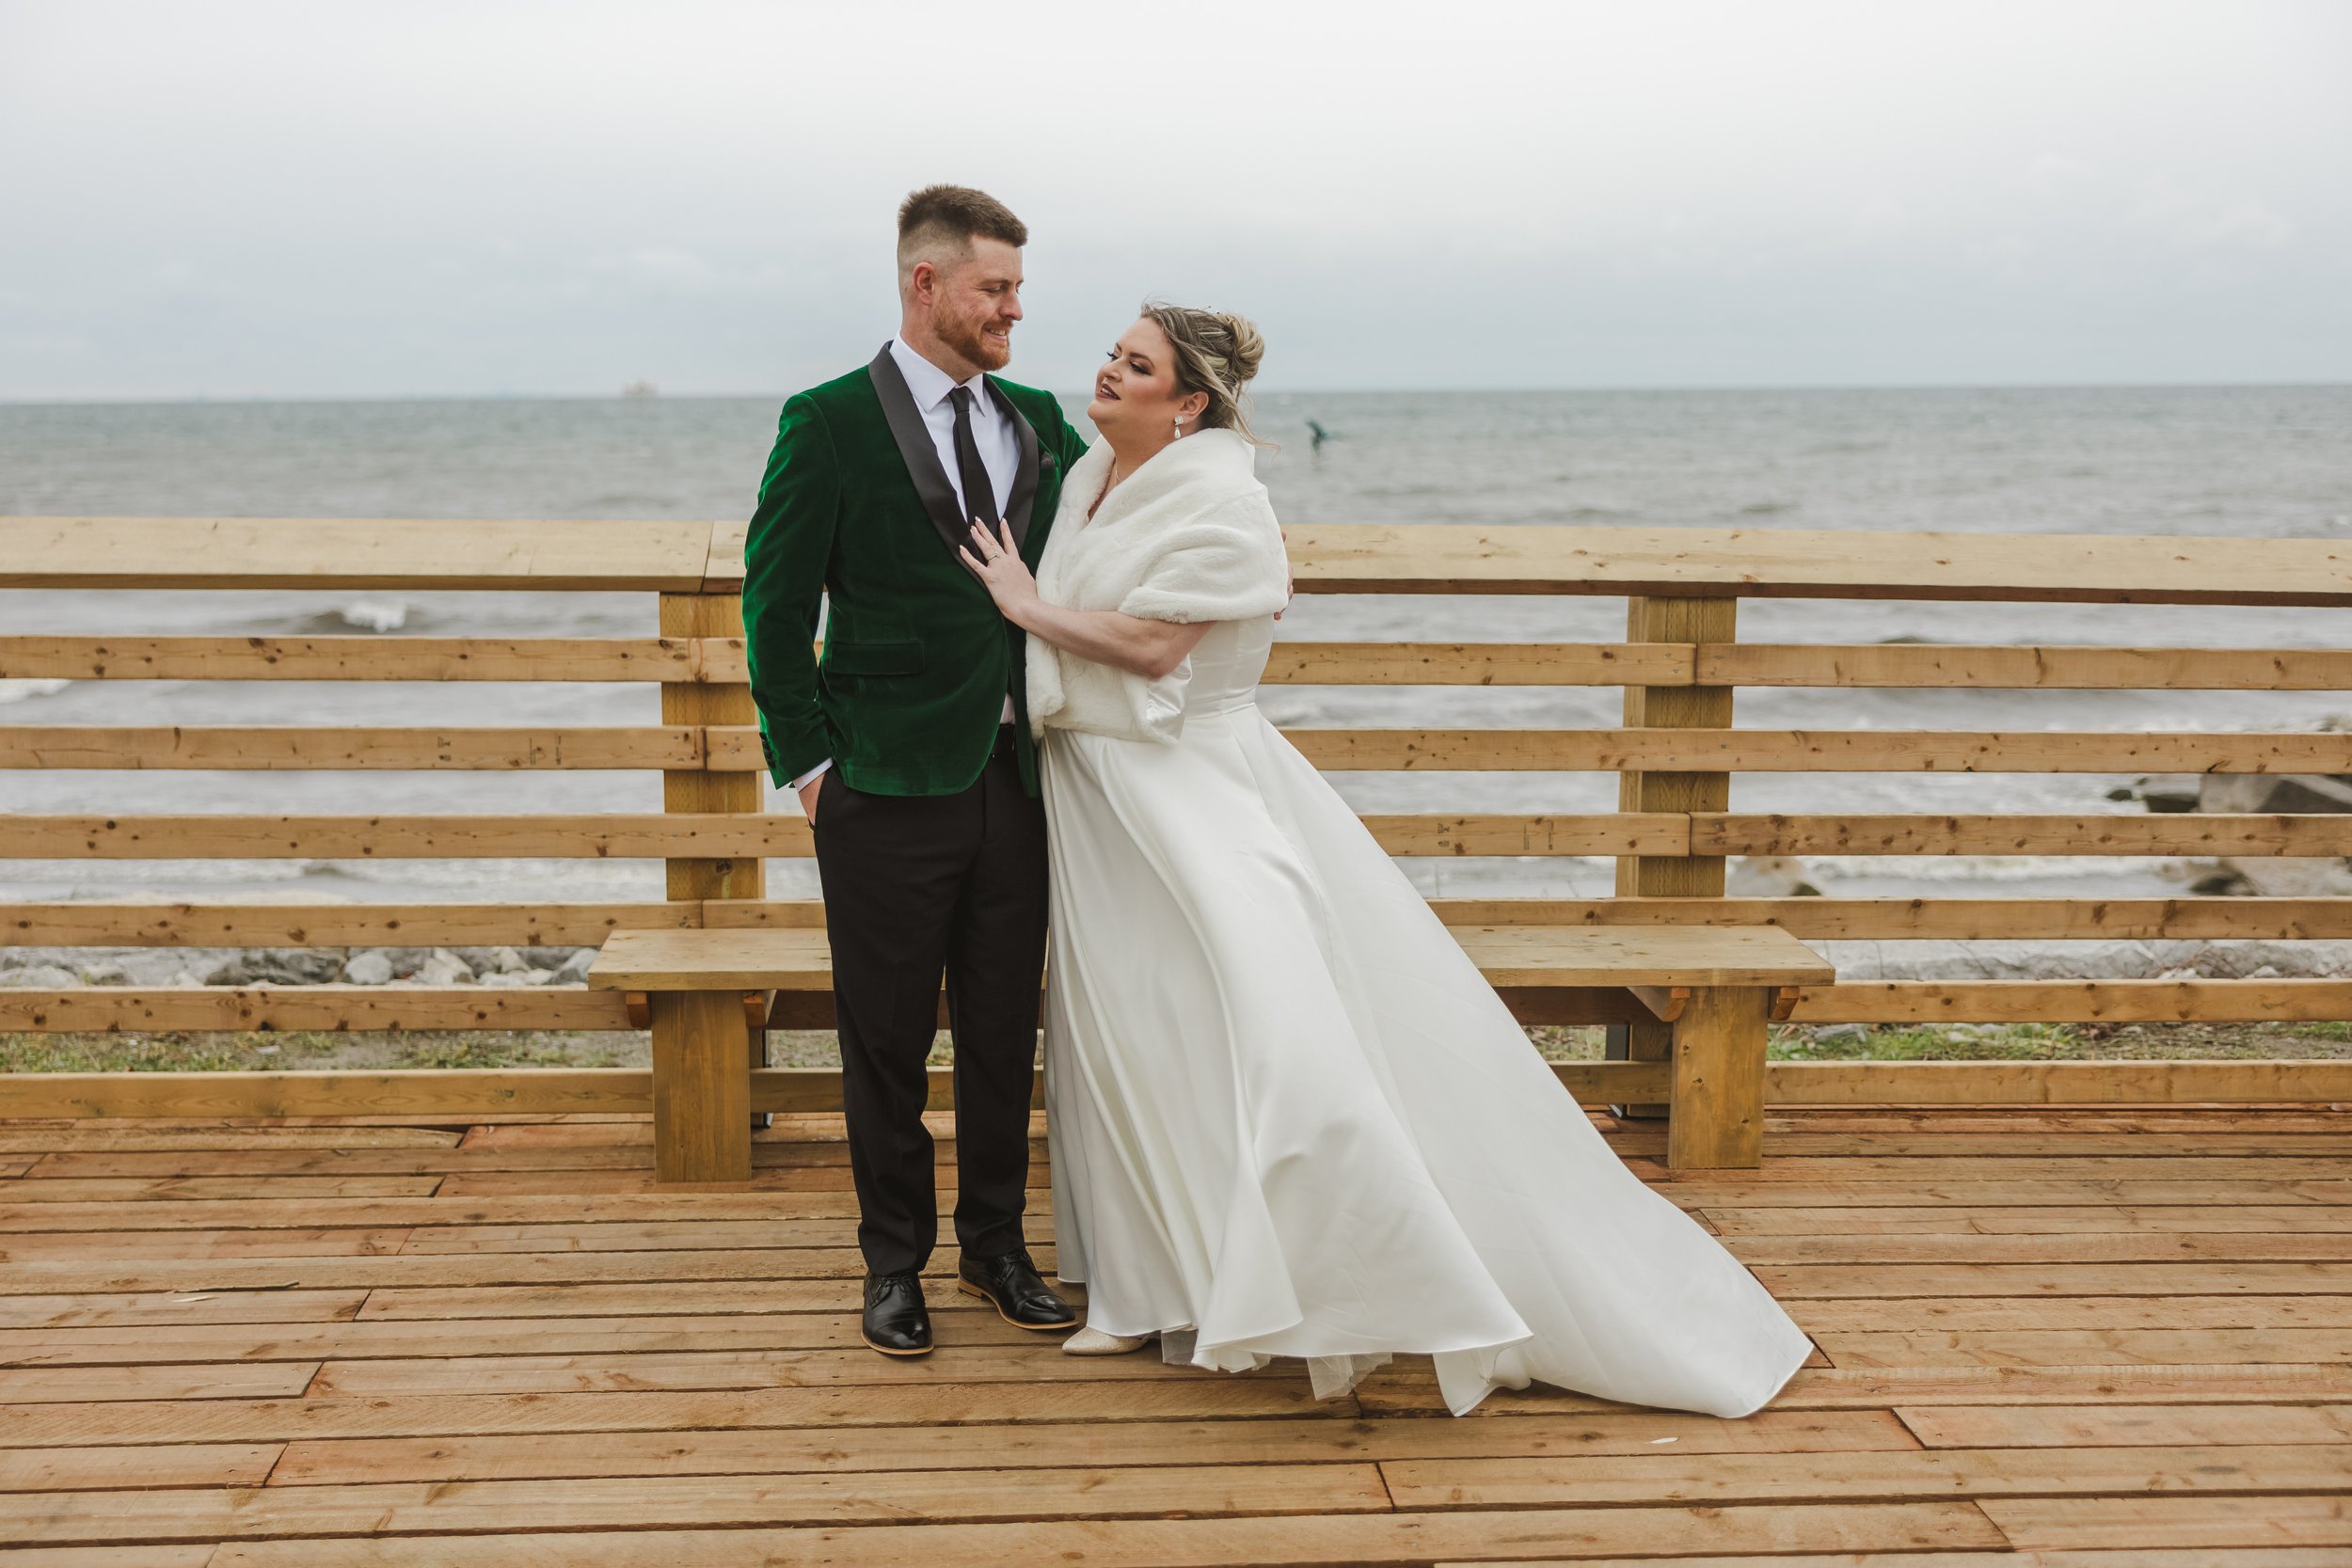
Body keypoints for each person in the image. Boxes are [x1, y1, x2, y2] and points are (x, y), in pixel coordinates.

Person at [957, 303, 1815, 1417]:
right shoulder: (1086, 479)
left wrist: (1024, 602)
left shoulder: (1225, 501)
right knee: (1130, 1030)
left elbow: (1160, 643)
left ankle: (1367, 1268)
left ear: (1190, 404)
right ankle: (1150, 1288)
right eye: (1115, 354)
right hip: (1096, 798)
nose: (1108, 370)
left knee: (1272, 1032)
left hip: (1191, 795)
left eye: (1137, 364)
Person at [740, 185, 1089, 1358]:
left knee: (1004, 1027)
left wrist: (1237, 551)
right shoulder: (829, 418)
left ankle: (997, 1246)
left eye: (1018, 289)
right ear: (924, 284)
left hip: (1021, 777)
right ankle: (893, 1262)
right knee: (884, 1038)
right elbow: (775, 605)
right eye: (995, 289)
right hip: (880, 781)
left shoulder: (1039, 418)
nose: (1013, 311)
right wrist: (811, 765)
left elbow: (1129, 525)